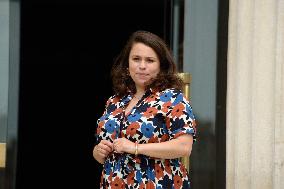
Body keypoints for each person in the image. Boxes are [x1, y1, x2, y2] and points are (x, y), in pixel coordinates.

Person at [93, 30, 197, 189]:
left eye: (149, 60)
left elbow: (184, 147)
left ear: (161, 66)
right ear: (127, 64)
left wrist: (136, 148)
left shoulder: (172, 98)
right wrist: (98, 152)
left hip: (157, 183)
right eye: (136, 59)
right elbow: (100, 151)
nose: (142, 66)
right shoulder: (115, 101)